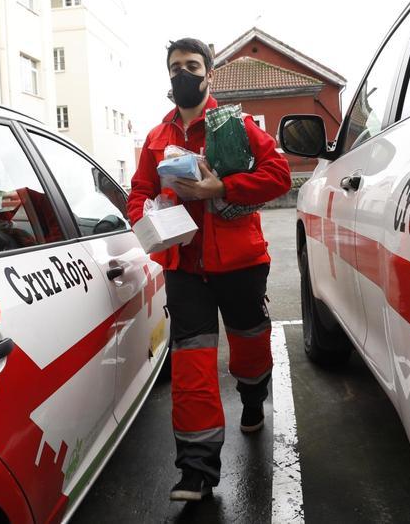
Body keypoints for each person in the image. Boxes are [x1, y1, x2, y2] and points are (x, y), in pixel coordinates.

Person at [127, 38, 291, 502]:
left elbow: (279, 174)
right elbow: (138, 190)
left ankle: (253, 394)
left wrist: (223, 186)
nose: (184, 73)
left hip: (240, 264)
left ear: (209, 74)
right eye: (176, 66)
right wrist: (147, 215)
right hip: (184, 266)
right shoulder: (157, 138)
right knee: (192, 365)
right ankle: (196, 470)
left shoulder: (234, 124)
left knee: (249, 344)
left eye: (192, 66)